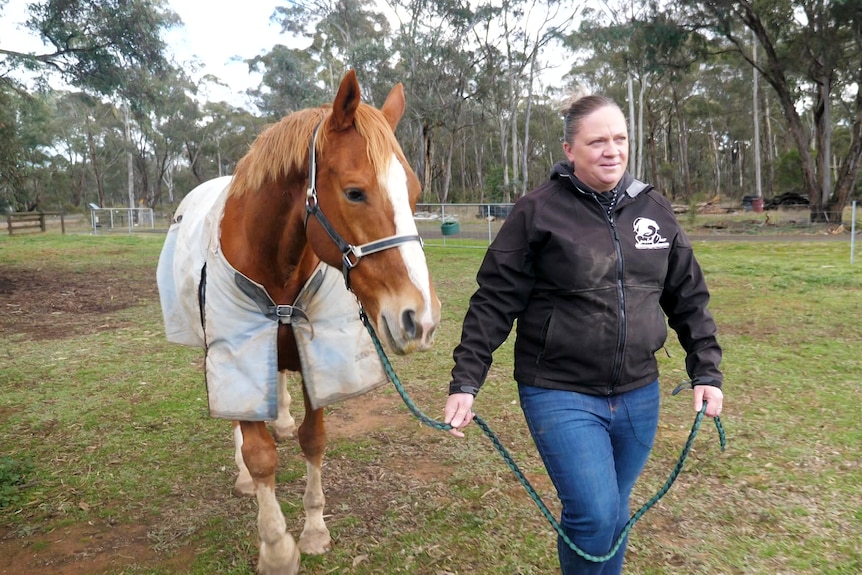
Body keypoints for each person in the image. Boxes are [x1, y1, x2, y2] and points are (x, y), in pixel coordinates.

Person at [443, 91, 724, 574]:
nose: (611, 150)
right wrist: (466, 380)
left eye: (620, 139)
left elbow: (688, 296)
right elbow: (494, 299)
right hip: (559, 391)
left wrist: (707, 371)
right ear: (570, 151)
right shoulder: (537, 211)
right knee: (592, 514)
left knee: (615, 513)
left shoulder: (653, 209)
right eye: (597, 141)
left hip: (639, 392)